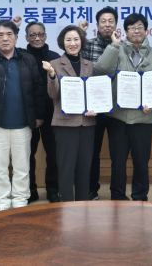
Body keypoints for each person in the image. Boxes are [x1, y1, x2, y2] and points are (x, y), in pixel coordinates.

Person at [95, 13, 152, 201]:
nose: (136, 31)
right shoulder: (116, 50)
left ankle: (140, 196)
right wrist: (114, 46)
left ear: (146, 31)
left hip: (144, 118)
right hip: (117, 117)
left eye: (140, 27)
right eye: (131, 28)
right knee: (117, 162)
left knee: (141, 161)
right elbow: (102, 70)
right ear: (125, 32)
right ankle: (117, 195)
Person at [0, 20, 45, 212]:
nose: (5, 38)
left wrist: (38, 114)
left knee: (22, 166)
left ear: (16, 37)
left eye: (9, 34)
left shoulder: (27, 58)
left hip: (23, 123)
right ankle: (2, 202)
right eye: (0, 35)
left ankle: (20, 200)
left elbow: (37, 86)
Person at [44, 25, 118, 201]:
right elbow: (53, 94)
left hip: (87, 123)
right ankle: (66, 204)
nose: (72, 43)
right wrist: (52, 75)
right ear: (62, 42)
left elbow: (94, 92)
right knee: (66, 167)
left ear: (81, 42)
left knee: (85, 166)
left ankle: (83, 204)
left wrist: (96, 107)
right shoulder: (54, 64)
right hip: (64, 123)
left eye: (76, 39)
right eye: (68, 39)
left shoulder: (89, 65)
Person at [78, 6, 120, 200]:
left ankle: (117, 192)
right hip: (93, 107)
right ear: (97, 25)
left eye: (111, 21)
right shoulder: (88, 45)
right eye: (103, 21)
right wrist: (81, 33)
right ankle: (91, 189)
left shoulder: (123, 45)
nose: (107, 24)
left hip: (117, 108)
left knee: (117, 152)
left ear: (116, 24)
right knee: (92, 152)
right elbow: (76, 62)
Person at [24, 20, 61, 203]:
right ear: (26, 38)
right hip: (27, 113)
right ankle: (30, 190)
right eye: (33, 35)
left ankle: (53, 190)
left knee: (53, 154)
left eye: (40, 34)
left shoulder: (55, 57)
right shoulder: (21, 56)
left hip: (52, 114)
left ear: (45, 36)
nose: (37, 38)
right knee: (27, 154)